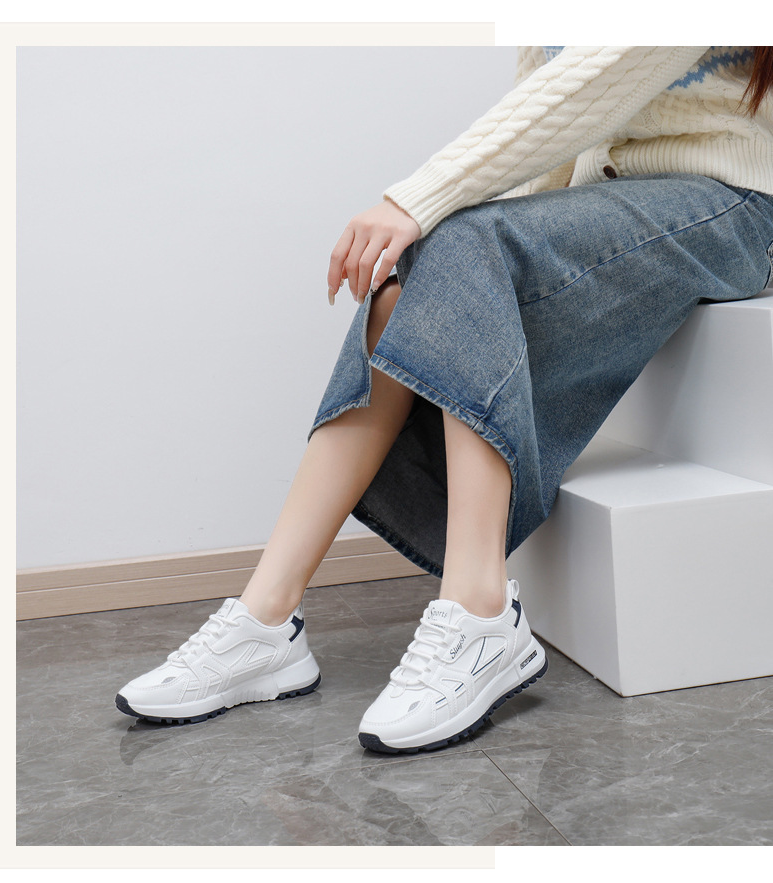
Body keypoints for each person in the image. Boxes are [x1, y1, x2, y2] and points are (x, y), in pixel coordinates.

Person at [116, 46, 773, 754]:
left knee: (456, 241)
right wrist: (469, 263)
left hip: (731, 200)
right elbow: (550, 105)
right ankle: (265, 619)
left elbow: (596, 79)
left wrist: (420, 201)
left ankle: (480, 610)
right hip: (606, 203)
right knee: (412, 279)